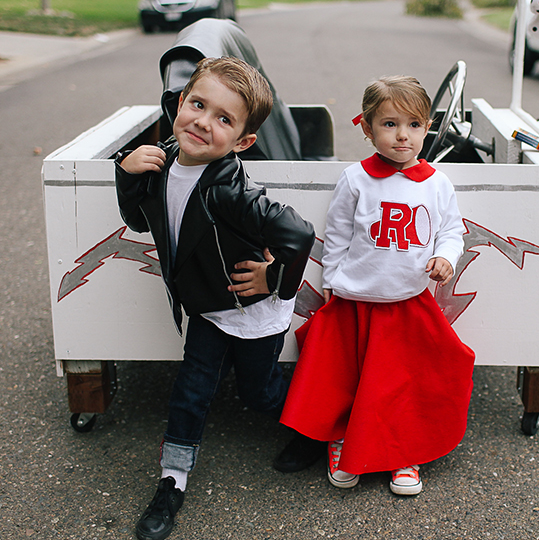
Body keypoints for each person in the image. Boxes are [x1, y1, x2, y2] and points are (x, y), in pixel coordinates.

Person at [115, 56, 319, 540]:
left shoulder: (230, 190)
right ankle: (172, 481)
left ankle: (316, 427)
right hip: (209, 304)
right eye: (198, 104)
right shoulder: (161, 160)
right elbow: (141, 223)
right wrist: (126, 175)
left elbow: (299, 234)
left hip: (252, 311)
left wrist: (276, 281)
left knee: (260, 391)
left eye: (224, 119)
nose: (203, 122)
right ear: (180, 103)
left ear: (243, 141)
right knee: (191, 391)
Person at [279, 75, 476, 496]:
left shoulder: (437, 183)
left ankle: (404, 450)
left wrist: (446, 256)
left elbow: (452, 231)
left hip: (407, 302)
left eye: (413, 124)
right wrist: (331, 280)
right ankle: (343, 441)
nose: (402, 135)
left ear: (427, 127)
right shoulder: (356, 179)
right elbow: (336, 236)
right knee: (348, 380)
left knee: (402, 384)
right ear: (367, 128)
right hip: (356, 302)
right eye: (389, 124)